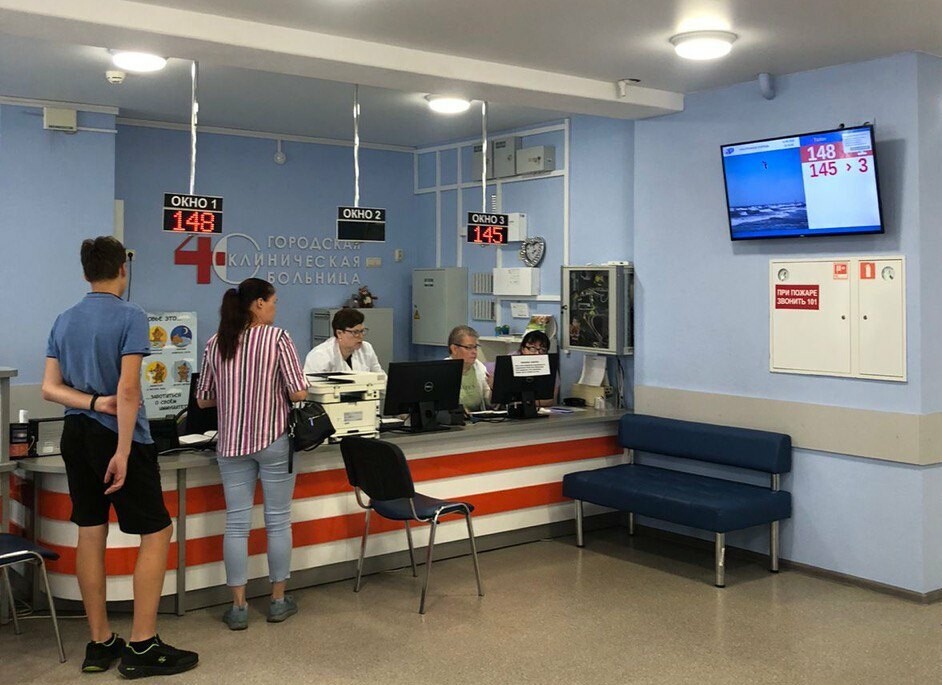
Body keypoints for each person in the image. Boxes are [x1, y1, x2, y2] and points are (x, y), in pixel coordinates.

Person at [42, 236, 198, 678]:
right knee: (157, 531)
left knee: (90, 531)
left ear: (85, 272)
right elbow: (128, 390)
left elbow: (50, 388)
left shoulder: (64, 319)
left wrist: (91, 403)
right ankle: (143, 644)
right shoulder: (130, 315)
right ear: (122, 270)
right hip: (118, 437)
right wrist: (124, 451)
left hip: (75, 434)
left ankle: (99, 642)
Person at [196, 278, 308, 631]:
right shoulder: (278, 338)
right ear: (258, 303)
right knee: (278, 521)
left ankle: (239, 607)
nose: (275, 308)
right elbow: (298, 392)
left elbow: (203, 399)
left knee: (236, 524)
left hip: (231, 444)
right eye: (273, 302)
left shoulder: (216, 342)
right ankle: (277, 601)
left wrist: (235, 393)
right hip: (272, 440)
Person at [304, 309, 385, 377]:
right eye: (355, 332)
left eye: (362, 331)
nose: (360, 336)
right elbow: (313, 388)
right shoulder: (320, 355)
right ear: (339, 333)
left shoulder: (366, 348)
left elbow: (381, 378)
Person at [446, 325, 492, 412]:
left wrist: (493, 388)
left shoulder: (479, 367)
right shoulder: (444, 371)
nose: (474, 352)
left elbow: (489, 403)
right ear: (454, 349)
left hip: (478, 418)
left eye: (475, 347)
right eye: (469, 347)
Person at [516, 330, 557, 407]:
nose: (537, 353)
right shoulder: (511, 361)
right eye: (532, 349)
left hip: (539, 409)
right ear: (523, 349)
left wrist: (524, 403)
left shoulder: (550, 367)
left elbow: (550, 400)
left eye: (542, 350)